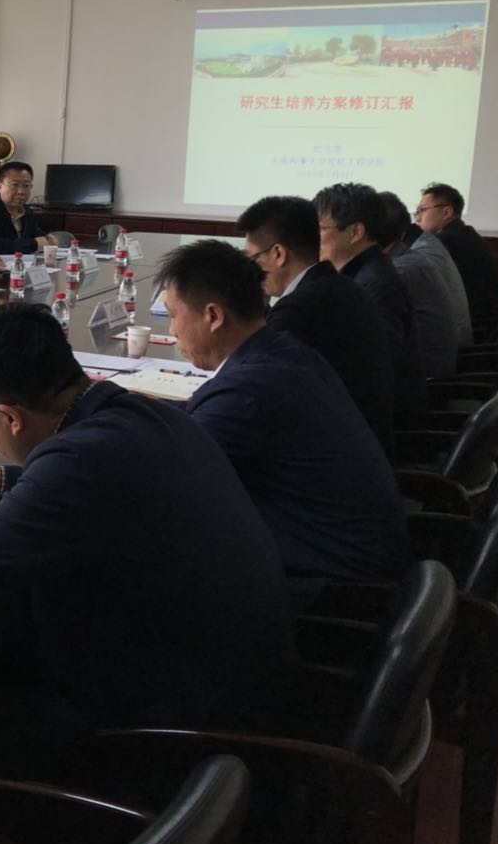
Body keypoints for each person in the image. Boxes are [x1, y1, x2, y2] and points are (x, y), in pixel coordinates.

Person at [0, 303, 291, 780]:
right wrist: (2, 481)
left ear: (10, 417)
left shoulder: (78, 462)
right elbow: (101, 487)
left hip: (180, 733)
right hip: (237, 681)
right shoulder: (138, 413)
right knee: (4, 663)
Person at [156, 241, 410, 607]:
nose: (172, 330)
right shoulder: (284, 352)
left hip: (335, 593)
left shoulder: (246, 392)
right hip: (361, 559)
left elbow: (165, 482)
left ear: (213, 316)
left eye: (173, 315)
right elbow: (199, 418)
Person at [237, 195, 395, 451]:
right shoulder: (337, 284)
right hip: (364, 438)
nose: (252, 272)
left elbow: (250, 385)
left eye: (253, 260)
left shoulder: (298, 309)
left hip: (336, 452)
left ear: (278, 254)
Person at [313, 183, 425, 416]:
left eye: (320, 229)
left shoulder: (374, 284)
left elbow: (373, 371)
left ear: (355, 232)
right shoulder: (367, 271)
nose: (312, 238)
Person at [377, 191, 469, 378]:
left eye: (422, 210)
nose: (418, 217)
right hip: (449, 358)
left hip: (435, 376)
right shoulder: (421, 247)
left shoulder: (409, 263)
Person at [414, 182, 498, 341]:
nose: (417, 217)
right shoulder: (464, 234)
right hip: (485, 325)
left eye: (422, 210)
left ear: (447, 212)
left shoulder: (445, 243)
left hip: (470, 330)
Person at [0, 161, 57, 255]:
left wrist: (47, 237)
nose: (21, 192)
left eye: (26, 186)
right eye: (14, 185)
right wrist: (34, 244)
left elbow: (33, 232)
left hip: (18, 262)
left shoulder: (27, 211)